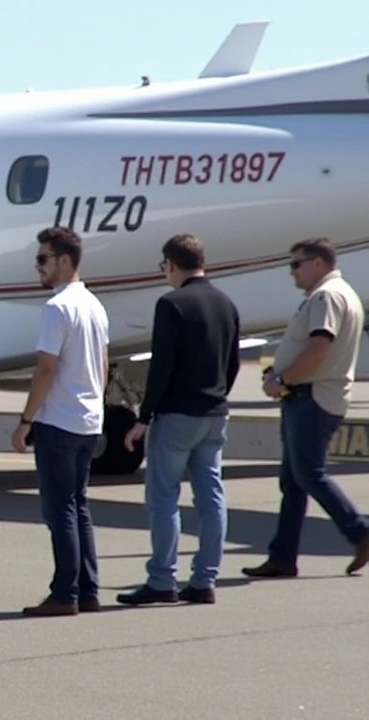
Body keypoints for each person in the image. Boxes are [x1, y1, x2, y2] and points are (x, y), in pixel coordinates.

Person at [117, 233, 241, 606]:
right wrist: (218, 394)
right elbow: (232, 362)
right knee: (211, 496)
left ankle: (161, 579)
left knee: (164, 498)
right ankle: (205, 579)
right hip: (215, 414)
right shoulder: (226, 303)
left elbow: (162, 366)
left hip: (177, 415)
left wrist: (144, 415)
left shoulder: (171, 304)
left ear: (171, 264)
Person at [245, 237, 369, 578]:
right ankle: (283, 557)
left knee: (307, 474)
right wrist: (281, 374)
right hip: (310, 396)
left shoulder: (326, 296)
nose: (292, 273)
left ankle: (358, 531)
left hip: (312, 397)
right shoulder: (340, 293)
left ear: (318, 263)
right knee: (294, 481)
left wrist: (283, 381)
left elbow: (319, 348)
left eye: (296, 265)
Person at [11, 226, 109, 616]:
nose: (39, 268)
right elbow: (102, 363)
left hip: (59, 421)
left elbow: (46, 369)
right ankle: (88, 589)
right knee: (79, 506)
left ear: (64, 260)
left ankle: (64, 592)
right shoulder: (94, 305)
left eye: (42, 259)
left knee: (60, 510)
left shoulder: (57, 307)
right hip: (88, 419)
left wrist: (25, 420)